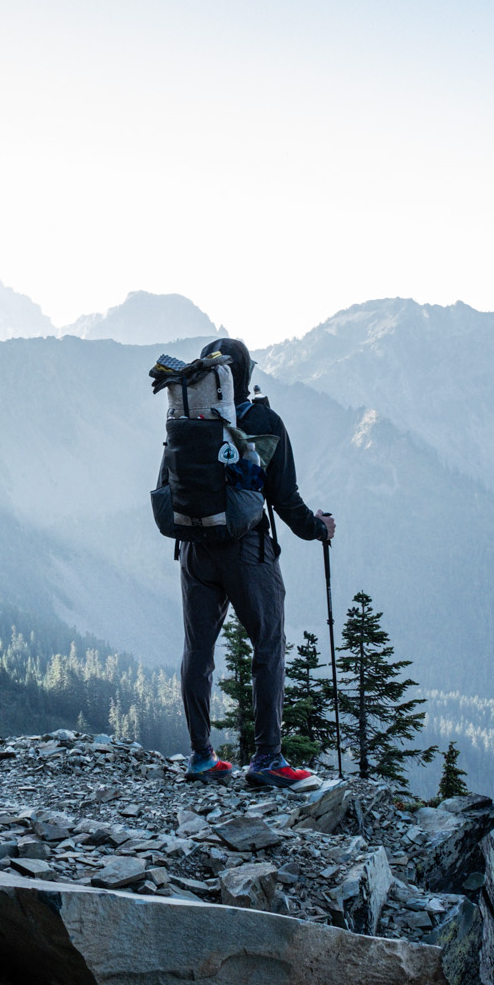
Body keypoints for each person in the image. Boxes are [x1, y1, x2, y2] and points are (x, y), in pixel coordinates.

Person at [167, 337, 336, 789]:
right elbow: (285, 499)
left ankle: (202, 756)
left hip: (194, 549)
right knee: (268, 646)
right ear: (243, 375)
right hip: (247, 551)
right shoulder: (262, 419)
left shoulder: (187, 418)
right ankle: (267, 759)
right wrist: (319, 528)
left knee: (197, 650)